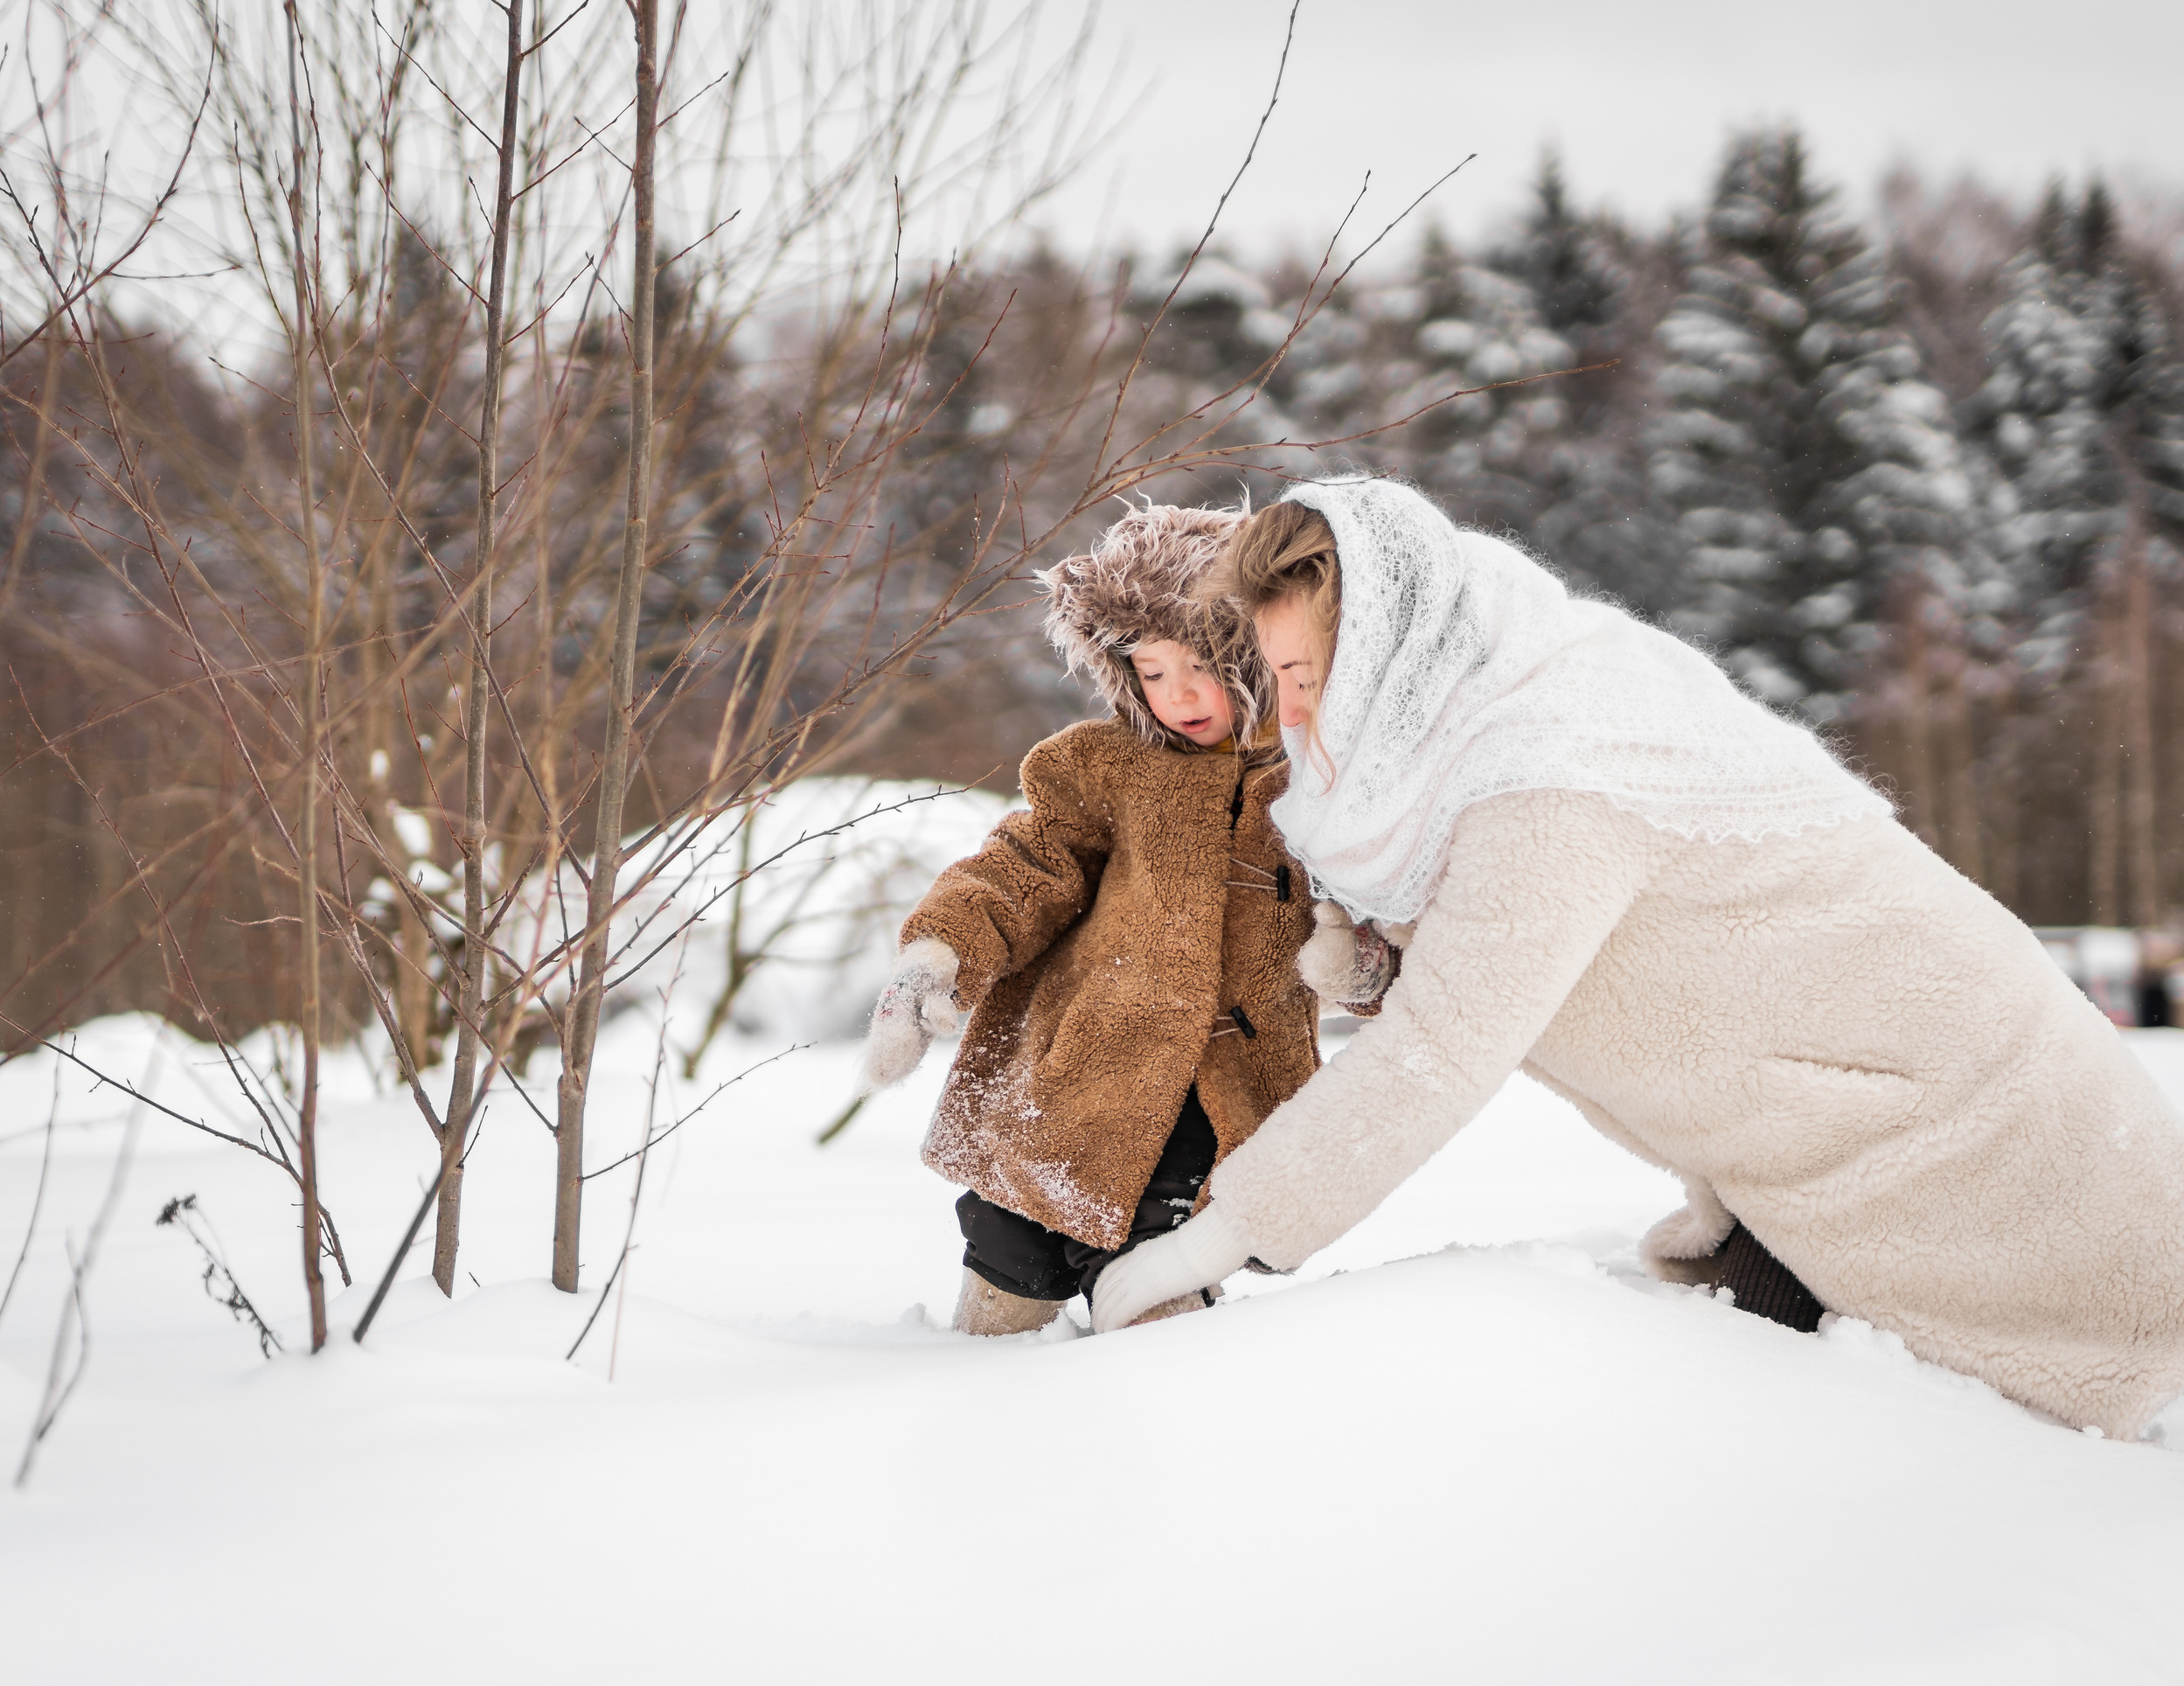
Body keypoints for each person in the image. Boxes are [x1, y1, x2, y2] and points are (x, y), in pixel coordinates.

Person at [1091, 473, 2184, 1440]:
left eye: (1306, 672)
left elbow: (1438, 1056)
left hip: (1979, 1155)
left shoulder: (1550, 772)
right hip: (1823, 1154)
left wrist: (1206, 1244)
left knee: (1945, 1453)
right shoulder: (1513, 701)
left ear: (1393, 652)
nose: (1286, 711)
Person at [857, 501, 1394, 1336]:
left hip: (1215, 1103)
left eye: (1200, 667)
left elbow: (1386, 911)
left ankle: (1160, 1430)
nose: (1176, 696)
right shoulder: (1105, 767)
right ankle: (971, 1403)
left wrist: (1365, 964)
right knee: (1008, 1261)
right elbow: (1027, 867)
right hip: (1073, 1081)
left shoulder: (1323, 777)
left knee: (1156, 1291)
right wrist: (939, 953)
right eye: (1150, 671)